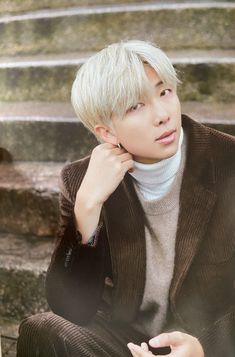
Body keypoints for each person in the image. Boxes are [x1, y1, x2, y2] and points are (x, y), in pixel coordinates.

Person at [17, 40, 235, 357]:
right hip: (132, 342)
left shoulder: (228, 161)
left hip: (210, 339)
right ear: (106, 133)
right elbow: (71, 308)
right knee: (41, 331)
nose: (163, 115)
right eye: (136, 106)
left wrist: (205, 347)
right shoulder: (82, 180)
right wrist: (87, 208)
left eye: (164, 92)